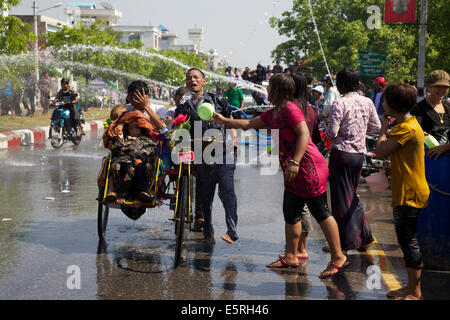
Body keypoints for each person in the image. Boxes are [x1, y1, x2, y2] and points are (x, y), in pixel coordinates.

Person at [212, 73, 348, 279]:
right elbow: (249, 124)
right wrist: (224, 120)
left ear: (279, 91)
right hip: (294, 171)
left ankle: (338, 257)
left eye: (269, 88)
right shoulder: (274, 112)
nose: (266, 91)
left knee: (320, 211)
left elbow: (303, 134)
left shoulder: (290, 110)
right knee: (291, 213)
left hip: (307, 167)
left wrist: (294, 161)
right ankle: (291, 256)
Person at [375, 83, 430, 300]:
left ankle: (415, 292)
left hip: (409, 192)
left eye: (386, 100)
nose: (383, 104)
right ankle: (409, 287)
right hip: (409, 188)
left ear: (394, 106)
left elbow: (379, 151)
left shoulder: (404, 128)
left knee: (408, 242)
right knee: (406, 240)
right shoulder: (411, 123)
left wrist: (382, 128)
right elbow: (404, 154)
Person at [175, 68, 239, 245]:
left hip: (223, 153)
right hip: (202, 156)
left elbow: (231, 120)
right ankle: (207, 231)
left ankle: (232, 231)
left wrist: (234, 140)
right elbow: (179, 130)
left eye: (196, 77)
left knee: (227, 190)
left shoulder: (218, 101)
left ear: (204, 81)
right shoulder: (184, 107)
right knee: (205, 196)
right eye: (189, 78)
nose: (192, 80)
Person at [324, 68, 381, 252]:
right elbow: (376, 126)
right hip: (358, 155)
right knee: (350, 195)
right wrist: (359, 132)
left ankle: (344, 242)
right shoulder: (367, 101)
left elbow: (332, 133)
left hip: (341, 154)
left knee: (341, 200)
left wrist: (327, 132)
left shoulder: (339, 103)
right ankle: (362, 237)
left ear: (340, 85)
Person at [103, 104, 158, 203]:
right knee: (120, 166)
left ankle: (143, 191)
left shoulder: (146, 140)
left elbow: (152, 150)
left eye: (137, 128)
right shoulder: (123, 139)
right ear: (127, 129)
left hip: (141, 162)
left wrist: (140, 158)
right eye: (131, 128)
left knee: (146, 165)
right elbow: (116, 150)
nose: (134, 131)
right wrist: (119, 138)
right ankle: (120, 193)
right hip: (125, 162)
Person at [411, 70, 450, 150]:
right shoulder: (419, 108)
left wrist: (445, 148)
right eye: (437, 86)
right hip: (428, 157)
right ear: (430, 87)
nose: (441, 90)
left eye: (445, 87)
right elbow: (413, 132)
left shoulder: (448, 107)